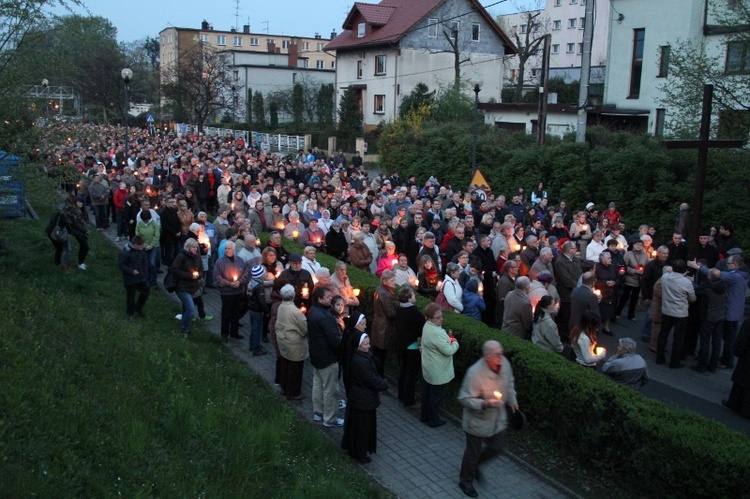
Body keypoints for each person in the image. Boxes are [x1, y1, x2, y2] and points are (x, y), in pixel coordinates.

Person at [457, 340, 518, 499]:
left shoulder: (504, 363)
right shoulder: (475, 373)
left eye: (501, 352)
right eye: (496, 354)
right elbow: (463, 398)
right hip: (476, 420)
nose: (501, 356)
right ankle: (465, 481)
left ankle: (476, 465)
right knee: (473, 452)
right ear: (486, 357)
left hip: (497, 419)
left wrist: (512, 400)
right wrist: (484, 403)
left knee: (497, 447)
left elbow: (509, 383)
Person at [340, 314, 389, 464]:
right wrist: (384, 384)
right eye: (366, 344)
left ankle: (355, 449)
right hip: (363, 400)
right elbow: (371, 379)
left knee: (357, 427)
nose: (369, 347)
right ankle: (360, 453)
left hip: (359, 398)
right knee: (362, 428)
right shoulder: (361, 362)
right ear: (358, 346)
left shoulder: (359, 357)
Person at [308, 286, 344, 427]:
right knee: (330, 389)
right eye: (328, 297)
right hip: (328, 358)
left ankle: (318, 412)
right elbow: (334, 340)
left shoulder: (312, 311)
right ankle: (330, 419)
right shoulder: (326, 317)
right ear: (320, 299)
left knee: (317, 385)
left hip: (316, 355)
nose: (331, 299)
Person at [420, 303, 459, 428]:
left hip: (429, 366)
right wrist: (455, 343)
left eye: (441, 316)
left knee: (428, 392)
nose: (441, 319)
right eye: (438, 317)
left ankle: (424, 415)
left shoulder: (427, 326)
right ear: (430, 318)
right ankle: (433, 419)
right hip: (437, 369)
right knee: (436, 395)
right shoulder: (437, 332)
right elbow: (448, 351)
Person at [656, 260, 696, 369]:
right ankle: (674, 362)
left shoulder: (665, 277)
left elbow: (670, 275)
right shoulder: (686, 282)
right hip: (680, 313)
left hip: (666, 310)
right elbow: (692, 298)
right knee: (678, 338)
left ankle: (659, 357)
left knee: (663, 334)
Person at [276, 284, 308, 400]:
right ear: (293, 296)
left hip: (283, 340)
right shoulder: (296, 312)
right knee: (295, 370)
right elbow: (304, 329)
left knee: (285, 366)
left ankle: (284, 388)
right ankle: (293, 393)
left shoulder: (281, 306)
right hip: (294, 344)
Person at [395, 287, 425, 409]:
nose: (415, 297)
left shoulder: (400, 309)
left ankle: (401, 394)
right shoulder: (415, 312)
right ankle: (409, 400)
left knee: (403, 370)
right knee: (411, 374)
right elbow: (421, 328)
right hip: (412, 346)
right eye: (413, 295)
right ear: (408, 297)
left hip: (402, 345)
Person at [691, 268, 726, 373]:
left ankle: (702, 365)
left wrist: (692, 282)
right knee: (716, 342)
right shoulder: (724, 286)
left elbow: (696, 291)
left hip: (708, 317)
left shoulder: (708, 289)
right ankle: (713, 365)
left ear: (710, 277)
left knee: (705, 341)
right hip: (720, 317)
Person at [214, 240, 249, 342]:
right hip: (226, 292)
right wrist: (229, 283)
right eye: (225, 248)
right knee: (226, 313)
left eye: (229, 248)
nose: (227, 250)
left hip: (238, 291)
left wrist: (240, 282)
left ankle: (234, 332)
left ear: (234, 250)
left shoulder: (240, 261)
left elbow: (245, 274)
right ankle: (224, 334)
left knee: (236, 312)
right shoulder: (220, 262)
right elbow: (217, 277)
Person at [171, 238, 206, 334]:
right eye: (193, 247)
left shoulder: (198, 257)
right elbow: (174, 270)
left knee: (186, 308)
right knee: (190, 308)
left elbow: (202, 270)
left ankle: (184, 323)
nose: (196, 249)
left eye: (196, 247)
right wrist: (190, 275)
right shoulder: (181, 256)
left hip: (193, 287)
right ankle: (185, 329)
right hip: (182, 287)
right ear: (188, 247)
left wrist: (199, 275)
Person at [371, 270, 398, 378]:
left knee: (377, 353)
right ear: (385, 281)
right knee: (381, 355)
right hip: (384, 327)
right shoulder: (386, 294)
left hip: (378, 324)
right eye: (392, 280)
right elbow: (391, 313)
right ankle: (379, 377)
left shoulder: (379, 289)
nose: (394, 282)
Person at [722, 318, 750, 419]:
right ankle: (742, 407)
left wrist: (737, 351)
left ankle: (735, 403)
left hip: (747, 357)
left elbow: (742, 339)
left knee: (742, 379)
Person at [117, 235, 150, 318]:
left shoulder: (141, 252)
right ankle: (130, 312)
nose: (141, 247)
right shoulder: (125, 253)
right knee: (131, 295)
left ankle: (138, 307)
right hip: (130, 278)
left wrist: (145, 274)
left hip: (140, 277)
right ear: (135, 244)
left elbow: (145, 263)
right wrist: (131, 271)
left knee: (146, 291)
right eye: (140, 246)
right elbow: (121, 265)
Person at [247, 265, 269, 356]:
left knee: (253, 328)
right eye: (263, 273)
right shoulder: (259, 286)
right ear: (260, 275)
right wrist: (266, 310)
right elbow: (261, 301)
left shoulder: (251, 282)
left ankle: (251, 345)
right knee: (257, 329)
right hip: (257, 310)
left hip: (251, 308)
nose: (265, 274)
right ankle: (256, 349)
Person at [135, 210, 161, 288]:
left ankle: (153, 281)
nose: (146, 221)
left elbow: (156, 235)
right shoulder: (139, 224)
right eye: (144, 220)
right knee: (144, 264)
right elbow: (138, 235)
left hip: (154, 246)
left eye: (147, 219)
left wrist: (151, 245)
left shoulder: (154, 224)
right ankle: (145, 280)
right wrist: (144, 245)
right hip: (143, 246)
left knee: (152, 263)